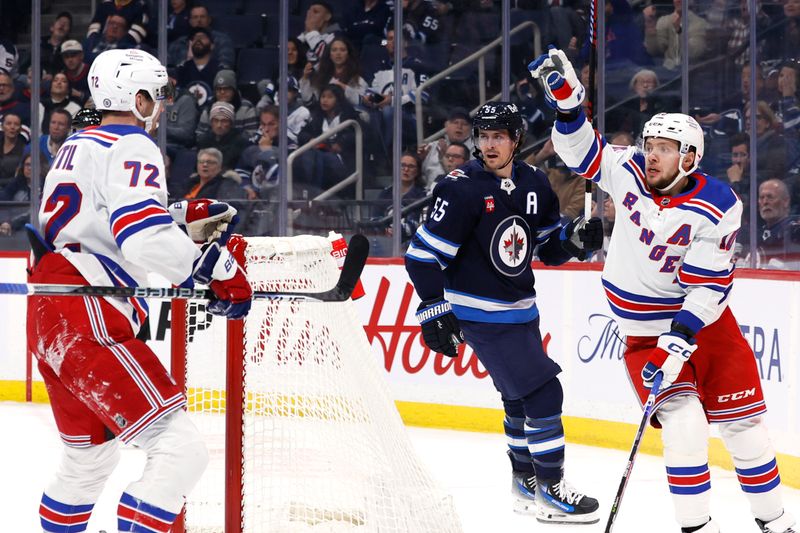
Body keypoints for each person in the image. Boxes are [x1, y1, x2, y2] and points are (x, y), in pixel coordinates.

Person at [531, 46, 797, 533]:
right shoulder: (627, 169)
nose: (651, 152)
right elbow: (579, 152)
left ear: (689, 157)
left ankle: (777, 525)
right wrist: (569, 107)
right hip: (645, 335)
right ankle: (698, 528)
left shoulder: (719, 202)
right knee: (684, 426)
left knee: (745, 432)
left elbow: (710, 283)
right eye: (649, 143)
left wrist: (684, 332)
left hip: (705, 329)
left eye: (664, 147)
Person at [28, 48, 252, 533]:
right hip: (88, 311)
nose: (163, 105)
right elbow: (140, 235)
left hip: (50, 309)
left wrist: (176, 216)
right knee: (181, 449)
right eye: (157, 94)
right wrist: (215, 269)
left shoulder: (80, 143)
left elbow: (101, 222)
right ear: (137, 96)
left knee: (88, 462)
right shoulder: (131, 142)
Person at [404, 101, 603, 524]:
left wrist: (575, 238)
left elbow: (549, 250)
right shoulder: (461, 187)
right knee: (545, 392)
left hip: (520, 310)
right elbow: (421, 256)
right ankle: (552, 490)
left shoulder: (535, 183)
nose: (489, 145)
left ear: (516, 140)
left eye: (499, 136)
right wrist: (433, 306)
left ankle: (524, 482)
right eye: (484, 136)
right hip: (480, 314)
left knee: (517, 398)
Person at [753, 179, 800, 269]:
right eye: (761, 198)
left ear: (785, 202)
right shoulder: (755, 234)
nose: (765, 202)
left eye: (770, 197)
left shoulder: (795, 233)